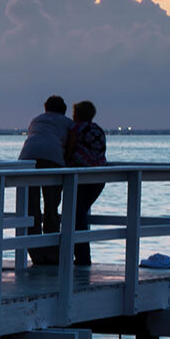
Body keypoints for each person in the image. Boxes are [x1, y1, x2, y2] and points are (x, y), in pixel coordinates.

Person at [18, 94, 72, 265]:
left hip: (27, 160)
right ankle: (52, 252)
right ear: (63, 110)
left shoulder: (36, 120)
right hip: (53, 160)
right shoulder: (67, 123)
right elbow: (70, 145)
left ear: (45, 107)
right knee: (51, 205)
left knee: (31, 207)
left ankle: (35, 253)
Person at [66, 99, 108, 266]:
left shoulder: (77, 128)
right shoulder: (99, 130)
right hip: (99, 177)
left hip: (81, 175)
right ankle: (82, 256)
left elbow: (69, 149)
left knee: (77, 216)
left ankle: (82, 257)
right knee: (80, 214)